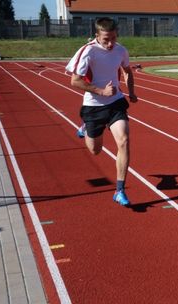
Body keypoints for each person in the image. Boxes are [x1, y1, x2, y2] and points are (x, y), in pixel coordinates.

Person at [66, 17, 138, 206]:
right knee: (95, 150)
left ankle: (119, 190)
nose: (110, 43)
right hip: (93, 106)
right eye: (106, 39)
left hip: (115, 102)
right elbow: (75, 80)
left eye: (113, 38)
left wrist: (131, 92)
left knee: (124, 140)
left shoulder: (121, 50)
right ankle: (85, 129)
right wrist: (101, 91)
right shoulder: (88, 51)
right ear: (97, 36)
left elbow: (127, 70)